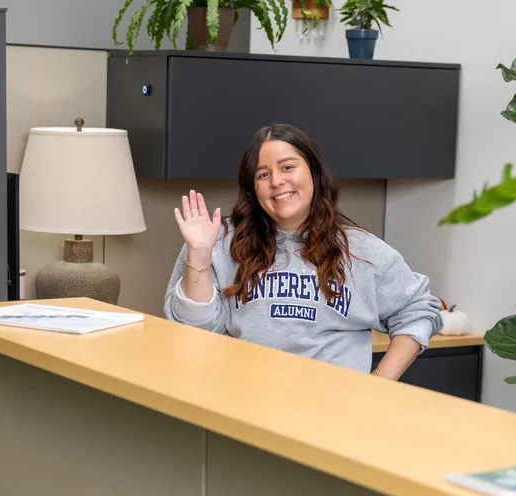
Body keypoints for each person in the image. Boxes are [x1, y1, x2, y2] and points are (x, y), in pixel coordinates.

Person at [162, 123, 443, 379]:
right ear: (253, 187)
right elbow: (192, 333)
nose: (276, 181)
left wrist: (379, 383)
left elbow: (418, 310)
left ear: (313, 171)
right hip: (243, 405)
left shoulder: (361, 250)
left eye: (287, 167)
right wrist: (199, 252)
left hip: (335, 415)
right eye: (263, 174)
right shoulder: (220, 242)